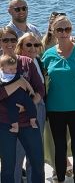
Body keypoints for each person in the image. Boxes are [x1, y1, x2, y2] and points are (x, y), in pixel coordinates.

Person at [42, 15, 75, 183]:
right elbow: (41, 80)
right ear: (53, 31)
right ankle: (61, 179)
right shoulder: (48, 54)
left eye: (67, 29)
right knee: (59, 147)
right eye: (60, 29)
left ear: (71, 30)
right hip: (55, 108)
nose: (64, 33)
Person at [0, 27, 45, 183]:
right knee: (8, 168)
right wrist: (19, 82)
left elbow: (40, 89)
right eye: (5, 40)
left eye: (13, 39)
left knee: (38, 164)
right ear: (0, 42)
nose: (10, 43)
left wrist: (28, 106)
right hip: (5, 124)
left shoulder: (26, 62)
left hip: (28, 123)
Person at [41, 12, 74, 179]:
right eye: (57, 26)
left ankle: (65, 160)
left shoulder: (71, 43)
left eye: (64, 27)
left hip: (68, 96)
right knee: (53, 134)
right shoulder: (42, 45)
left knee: (66, 133)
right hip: (50, 93)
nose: (62, 30)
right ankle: (57, 165)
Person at [0, 54, 37, 132]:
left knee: (31, 105)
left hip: (23, 95)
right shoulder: (1, 77)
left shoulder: (16, 75)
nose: (14, 71)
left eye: (15, 68)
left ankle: (33, 121)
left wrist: (31, 90)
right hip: (11, 99)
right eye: (10, 69)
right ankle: (15, 127)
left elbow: (25, 82)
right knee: (12, 111)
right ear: (2, 69)